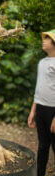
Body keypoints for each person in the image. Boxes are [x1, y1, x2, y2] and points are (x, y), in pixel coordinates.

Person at [28, 29, 55, 176]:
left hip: (53, 111)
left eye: (47, 39)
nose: (43, 41)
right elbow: (39, 88)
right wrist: (33, 111)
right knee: (43, 146)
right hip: (41, 109)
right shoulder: (42, 62)